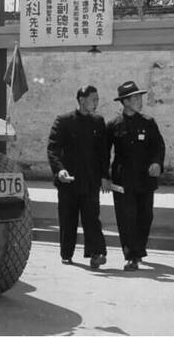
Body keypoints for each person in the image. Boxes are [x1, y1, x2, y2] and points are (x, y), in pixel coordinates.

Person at [104, 81, 165, 271]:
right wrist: (104, 176)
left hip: (145, 179)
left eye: (140, 97)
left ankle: (139, 248)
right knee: (126, 217)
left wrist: (157, 162)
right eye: (136, 98)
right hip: (123, 179)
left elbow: (158, 146)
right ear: (125, 102)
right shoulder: (113, 125)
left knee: (145, 216)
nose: (140, 101)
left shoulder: (148, 122)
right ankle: (132, 256)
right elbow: (104, 153)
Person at [47, 85, 108, 268]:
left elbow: (103, 153)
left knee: (92, 218)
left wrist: (105, 176)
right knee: (68, 218)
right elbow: (53, 149)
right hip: (69, 180)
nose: (97, 103)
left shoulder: (98, 121)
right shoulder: (64, 121)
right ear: (82, 100)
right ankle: (67, 253)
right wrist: (59, 170)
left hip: (90, 181)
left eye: (98, 99)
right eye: (93, 99)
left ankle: (97, 253)